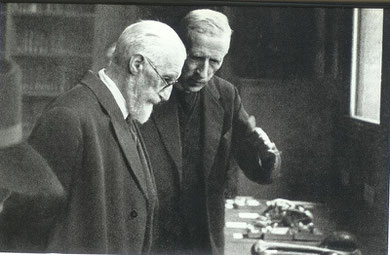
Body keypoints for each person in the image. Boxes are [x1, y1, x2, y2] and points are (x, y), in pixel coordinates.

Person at [1, 20, 186, 254]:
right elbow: (23, 230)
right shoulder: (69, 116)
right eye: (166, 79)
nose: (167, 94)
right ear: (137, 64)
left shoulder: (124, 111)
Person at [140, 9, 281, 255]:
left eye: (215, 61)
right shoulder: (147, 91)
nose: (203, 72)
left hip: (202, 237)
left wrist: (269, 156)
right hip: (150, 233)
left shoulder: (227, 95)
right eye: (196, 58)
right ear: (179, 50)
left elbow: (257, 169)